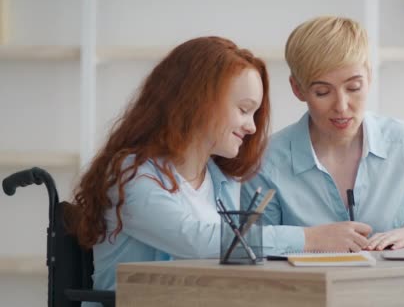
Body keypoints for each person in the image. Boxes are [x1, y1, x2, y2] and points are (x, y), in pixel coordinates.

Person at [67, 36, 284, 293]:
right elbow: (195, 239)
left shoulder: (221, 181)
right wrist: (310, 239)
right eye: (244, 109)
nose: (252, 127)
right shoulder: (130, 174)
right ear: (198, 101)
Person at [242, 16, 404, 252]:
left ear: (370, 77)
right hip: (302, 288)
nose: (342, 106)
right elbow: (247, 242)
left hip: (386, 287)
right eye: (323, 92)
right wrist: (310, 238)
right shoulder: (268, 159)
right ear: (298, 89)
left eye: (354, 87)